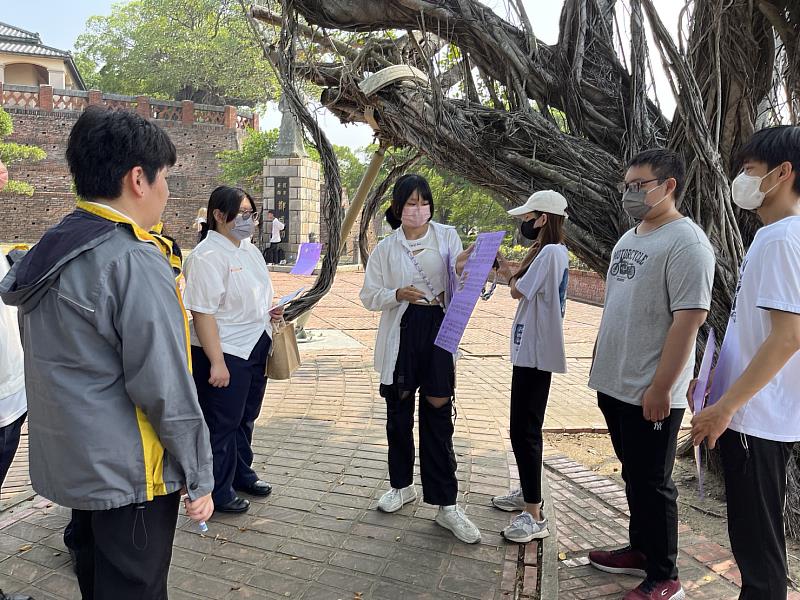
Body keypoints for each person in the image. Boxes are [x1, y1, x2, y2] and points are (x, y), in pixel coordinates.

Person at [0, 106, 214, 599]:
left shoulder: (54, 247)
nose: (167, 192)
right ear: (138, 178)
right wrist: (200, 474)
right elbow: (165, 386)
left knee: (98, 584)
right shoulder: (133, 260)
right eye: (166, 178)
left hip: (79, 466)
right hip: (131, 474)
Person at [586, 149, 715, 600]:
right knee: (634, 474)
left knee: (654, 482)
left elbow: (689, 320)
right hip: (615, 382)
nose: (630, 194)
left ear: (669, 185)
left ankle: (665, 576)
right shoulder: (630, 238)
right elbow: (618, 307)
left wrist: (661, 387)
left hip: (652, 390)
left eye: (639, 186)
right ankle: (640, 550)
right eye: (627, 186)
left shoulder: (688, 243)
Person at [691, 125, 800, 600]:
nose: (741, 179)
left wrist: (726, 406)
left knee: (759, 557)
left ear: (782, 173)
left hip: (755, 419)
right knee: (756, 545)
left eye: (750, 170)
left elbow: (789, 336)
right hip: (754, 414)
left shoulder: (781, 239)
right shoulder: (776, 236)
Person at [359, 173, 481, 544]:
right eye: (411, 203)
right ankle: (401, 486)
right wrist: (396, 293)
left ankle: (446, 504)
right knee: (398, 414)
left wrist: (465, 265)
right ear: (398, 208)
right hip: (402, 329)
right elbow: (368, 295)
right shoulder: (385, 249)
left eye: (423, 202)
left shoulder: (446, 236)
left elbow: (457, 281)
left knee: (438, 415)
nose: (418, 209)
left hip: (439, 330)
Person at [183, 186, 283, 514]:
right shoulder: (206, 256)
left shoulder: (248, 250)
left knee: (245, 417)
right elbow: (203, 312)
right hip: (224, 352)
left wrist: (273, 310)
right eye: (241, 213)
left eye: (251, 213)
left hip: (255, 344)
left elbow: (254, 295)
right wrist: (216, 362)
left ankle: (242, 472)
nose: (248, 220)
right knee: (221, 423)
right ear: (218, 215)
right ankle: (217, 489)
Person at [489, 191, 570, 543]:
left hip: (537, 353)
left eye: (530, 216)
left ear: (543, 219)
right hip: (531, 350)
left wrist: (508, 273)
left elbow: (519, 290)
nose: (524, 222)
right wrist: (508, 272)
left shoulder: (551, 252)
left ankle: (534, 513)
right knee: (521, 426)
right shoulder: (546, 252)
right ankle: (526, 492)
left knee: (525, 429)